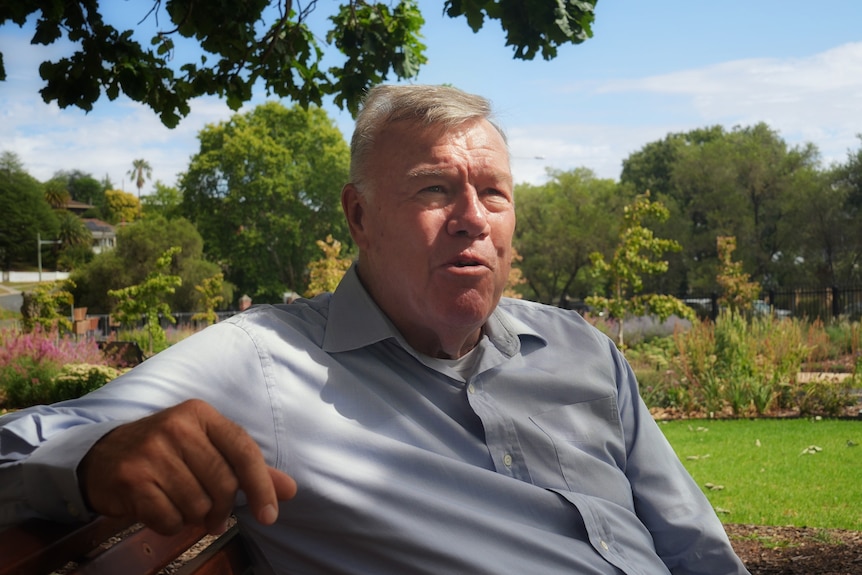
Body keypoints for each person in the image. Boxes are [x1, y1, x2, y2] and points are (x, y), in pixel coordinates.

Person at [0, 85, 749, 574]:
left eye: (494, 192)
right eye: (434, 189)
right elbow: (15, 451)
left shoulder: (580, 349)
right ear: (359, 217)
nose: (473, 217)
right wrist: (95, 456)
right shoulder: (265, 363)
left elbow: (694, 544)